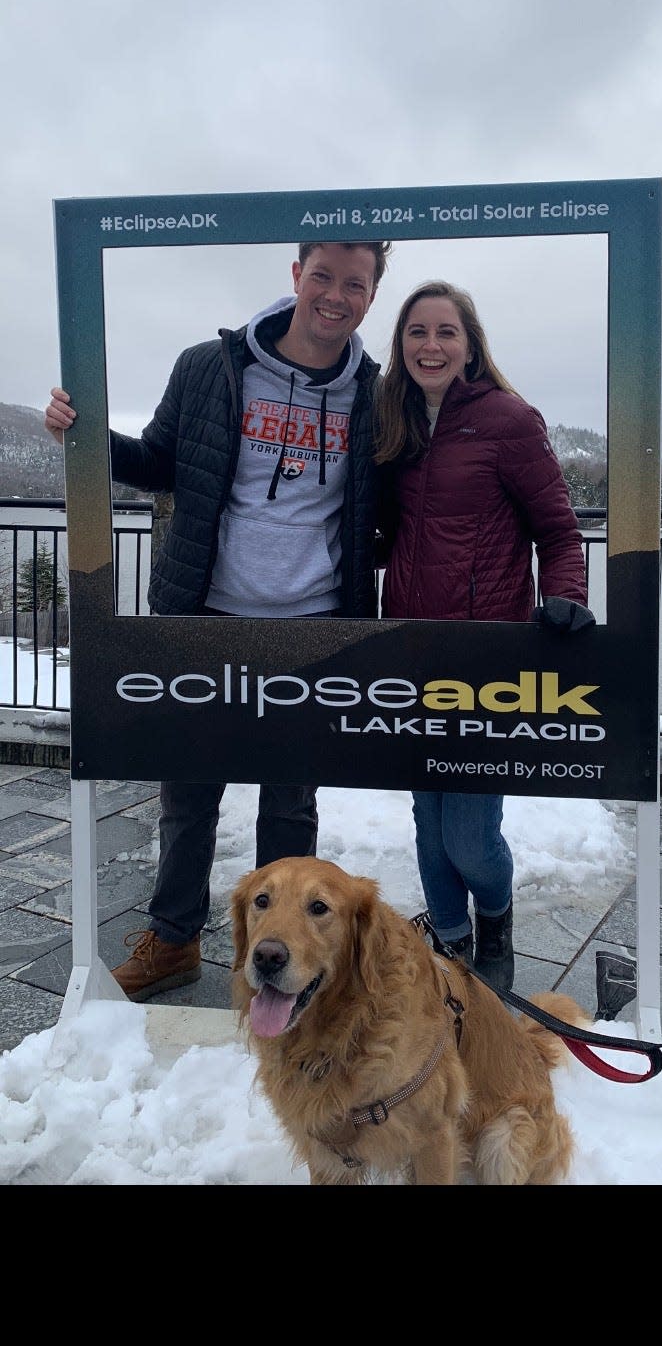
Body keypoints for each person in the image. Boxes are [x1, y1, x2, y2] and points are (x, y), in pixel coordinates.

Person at [44, 239, 391, 1001]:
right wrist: (85, 435)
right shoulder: (209, 365)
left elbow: (402, 499)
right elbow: (161, 461)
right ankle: (173, 941)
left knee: (290, 805)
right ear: (296, 275)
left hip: (312, 630)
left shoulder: (377, 393)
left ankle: (285, 955)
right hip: (202, 618)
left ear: (372, 295)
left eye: (356, 284)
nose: (336, 296)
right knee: (188, 796)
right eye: (324, 277)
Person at [374, 280, 594, 993]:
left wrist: (564, 596)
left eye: (445, 332)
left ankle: (494, 919)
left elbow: (559, 530)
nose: (430, 346)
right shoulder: (394, 423)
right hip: (411, 649)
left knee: (469, 829)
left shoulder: (508, 419)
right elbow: (385, 532)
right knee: (428, 820)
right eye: (417, 332)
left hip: (486, 658)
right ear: (401, 346)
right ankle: (451, 938)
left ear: (470, 346)